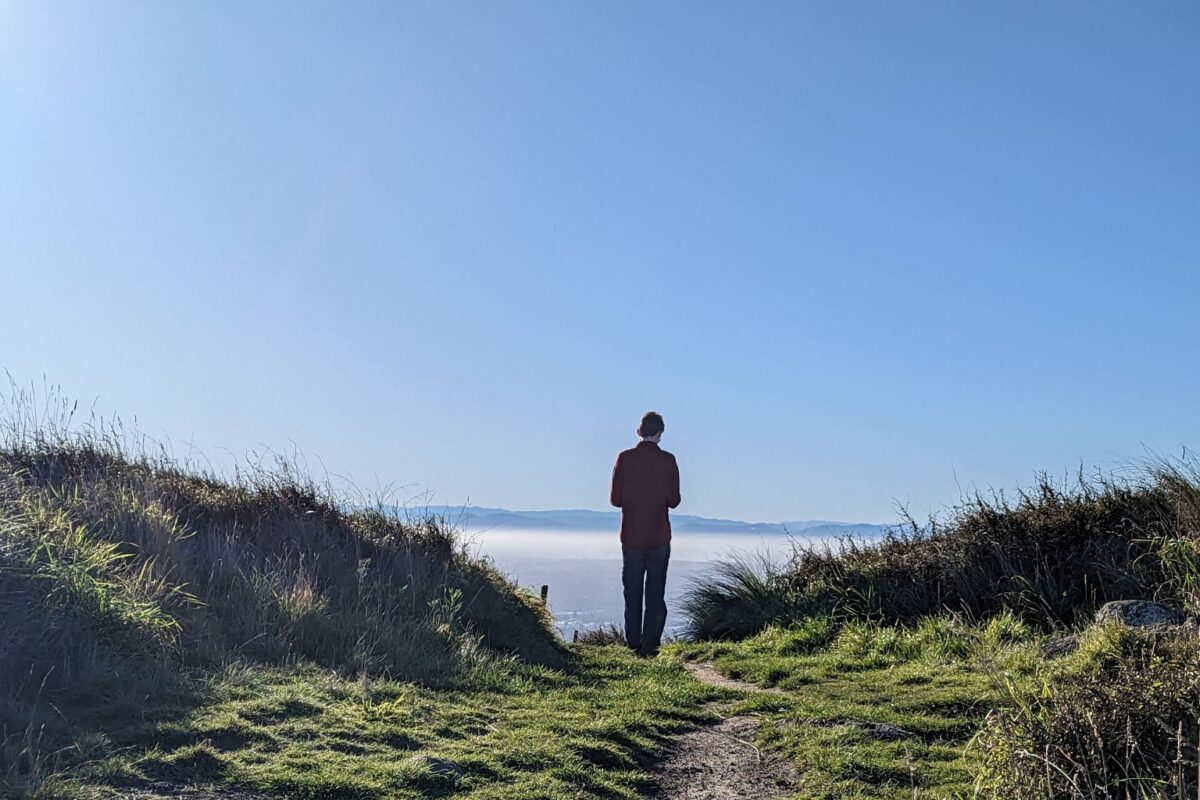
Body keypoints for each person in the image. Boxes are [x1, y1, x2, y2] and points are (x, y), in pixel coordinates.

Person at [610, 410, 681, 657]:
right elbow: (674, 501)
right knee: (655, 593)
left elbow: (615, 500)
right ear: (660, 434)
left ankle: (633, 643)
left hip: (631, 536)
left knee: (632, 592)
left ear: (638, 431)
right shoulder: (669, 461)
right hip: (659, 536)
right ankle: (651, 645)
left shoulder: (624, 458)